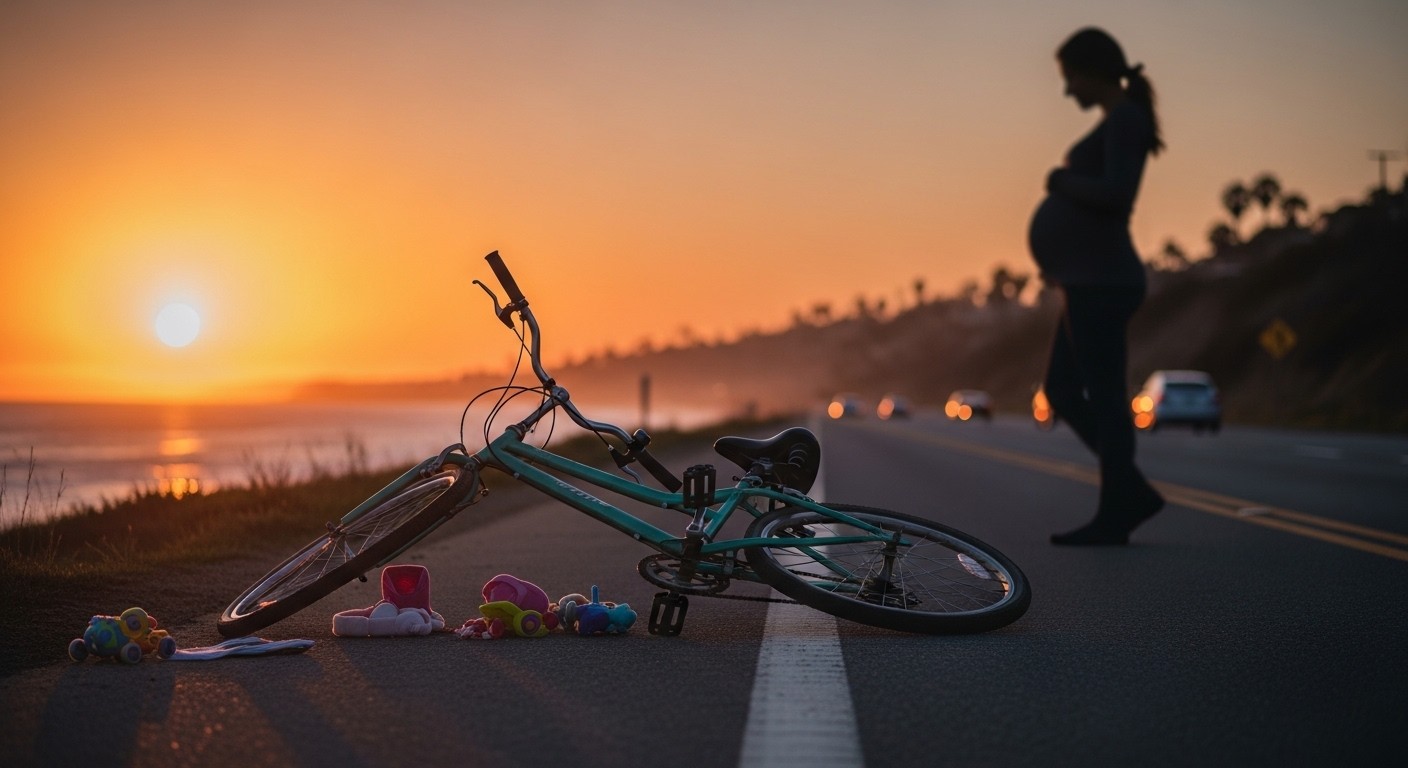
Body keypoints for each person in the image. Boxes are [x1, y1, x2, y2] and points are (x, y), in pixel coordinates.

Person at [1028, 27, 1165, 545]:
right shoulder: (1119, 119)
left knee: (1105, 396)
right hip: (1086, 278)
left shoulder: (1127, 118)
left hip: (1104, 280)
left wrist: (1059, 182)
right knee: (1063, 390)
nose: (1068, 92)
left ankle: (1119, 507)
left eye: (1070, 79)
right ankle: (1128, 492)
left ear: (1091, 70)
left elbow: (1117, 195)